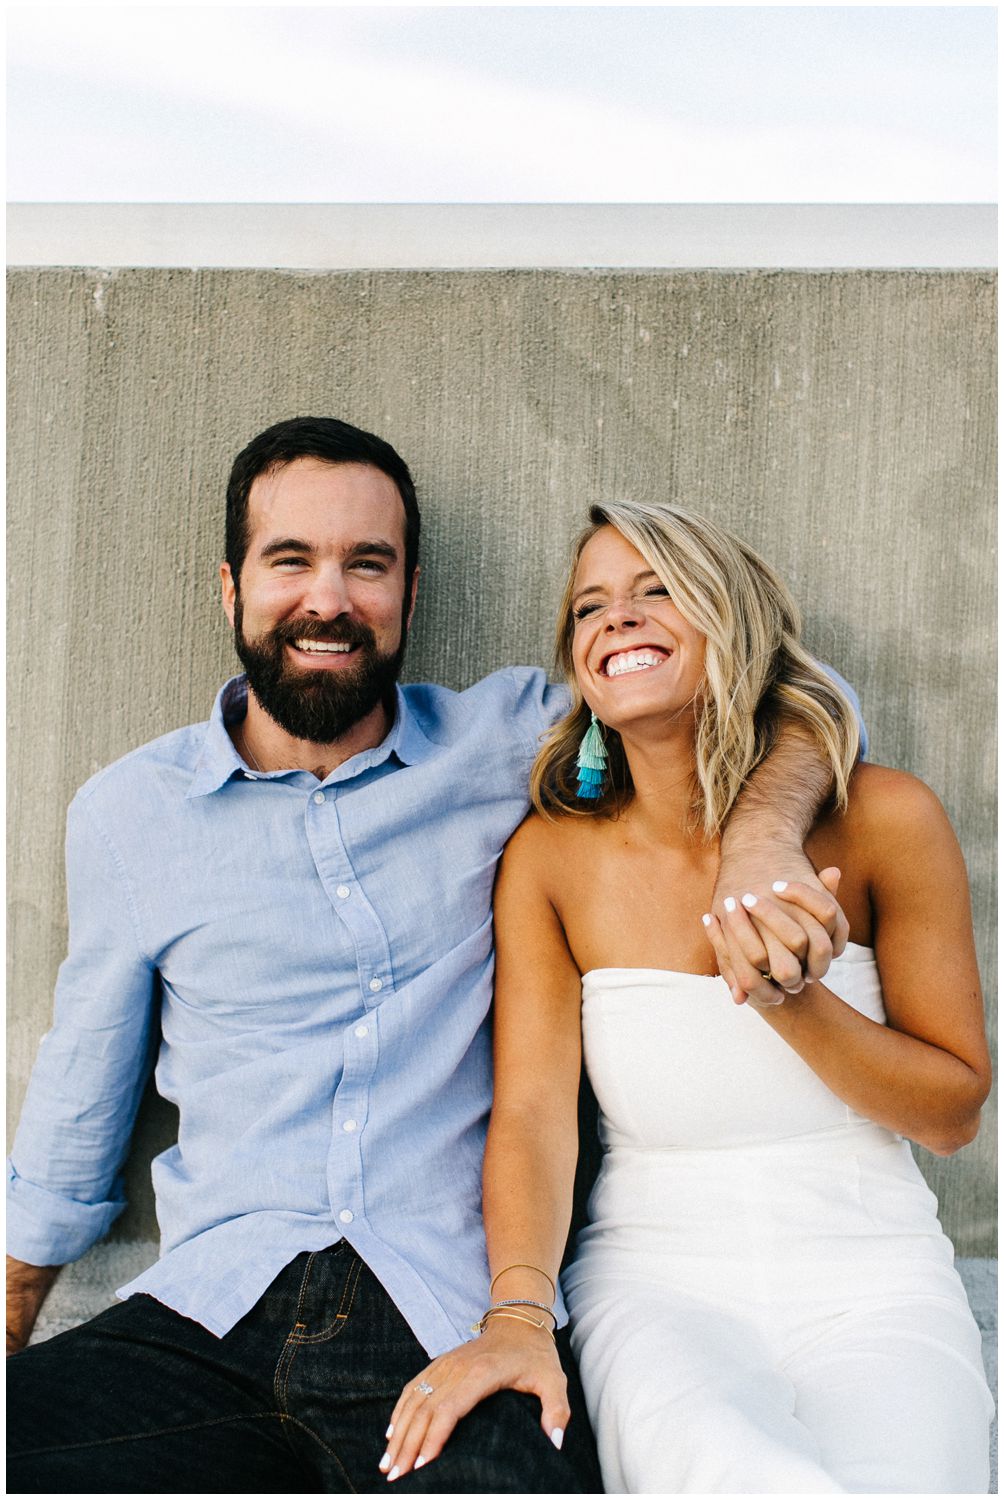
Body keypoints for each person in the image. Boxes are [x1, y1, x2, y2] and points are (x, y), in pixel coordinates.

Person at [9, 421, 853, 1494]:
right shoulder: (130, 814)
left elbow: (776, 688)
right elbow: (85, 1084)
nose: (329, 599)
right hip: (204, 1318)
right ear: (231, 589)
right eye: (290, 561)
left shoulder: (510, 745)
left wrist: (763, 835)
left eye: (367, 564)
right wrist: (16, 1305)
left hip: (447, 1321)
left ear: (408, 596)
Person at [381, 500, 994, 1494]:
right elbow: (534, 1115)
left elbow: (952, 1112)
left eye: (656, 590)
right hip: (656, 1288)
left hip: (875, 1277)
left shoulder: (884, 817)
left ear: (734, 622)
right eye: (589, 607)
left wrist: (787, 993)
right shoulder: (551, 858)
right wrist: (518, 1317)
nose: (616, 618)